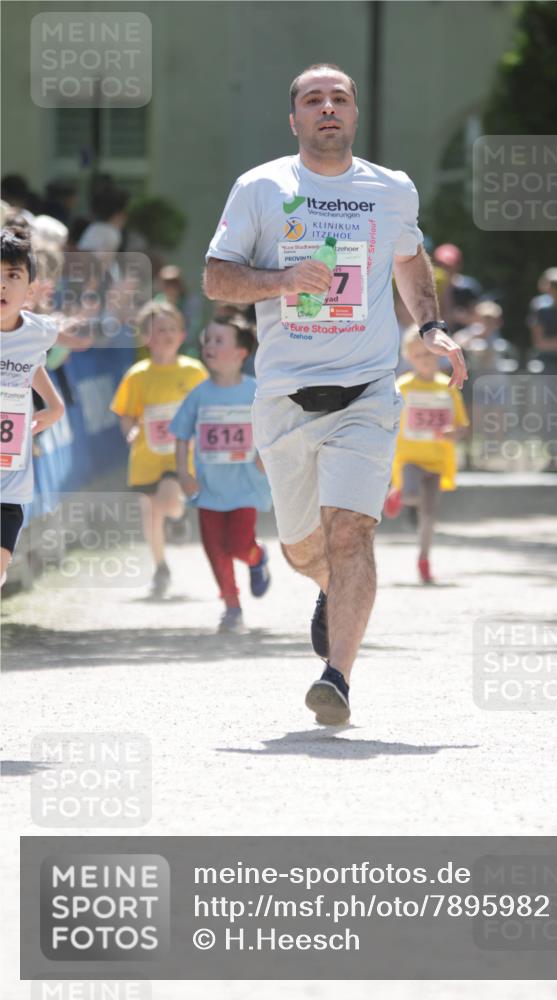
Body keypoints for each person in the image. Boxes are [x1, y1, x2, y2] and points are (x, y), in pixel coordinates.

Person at [203, 62, 467, 725]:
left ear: (354, 114)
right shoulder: (260, 187)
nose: (328, 108)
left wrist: (431, 324)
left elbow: (408, 257)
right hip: (286, 397)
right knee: (302, 548)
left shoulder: (392, 190)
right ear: (295, 120)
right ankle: (325, 586)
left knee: (351, 531)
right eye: (314, 100)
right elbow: (215, 278)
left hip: (368, 392)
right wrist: (283, 280)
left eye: (339, 99)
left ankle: (337, 677)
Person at [170, 312, 272, 631]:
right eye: (207, 341)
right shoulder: (200, 394)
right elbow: (181, 434)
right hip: (209, 489)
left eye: (219, 340)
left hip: (245, 487)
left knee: (239, 545)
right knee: (215, 550)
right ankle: (231, 606)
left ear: (241, 353)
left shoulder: (257, 392)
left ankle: (257, 558)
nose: (209, 346)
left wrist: (265, 456)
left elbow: (274, 429)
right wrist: (183, 474)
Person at [110, 301, 207, 596]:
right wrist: (131, 431)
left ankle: (177, 516)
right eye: (158, 329)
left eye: (171, 329)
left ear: (181, 335)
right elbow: (126, 413)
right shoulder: (138, 375)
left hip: (181, 457)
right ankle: (161, 566)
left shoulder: (194, 372)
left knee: (168, 499)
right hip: (146, 456)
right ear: (145, 336)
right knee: (150, 515)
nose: (165, 335)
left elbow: (207, 408)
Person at [1, 226, 65, 585]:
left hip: (9, 487)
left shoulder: (37, 333)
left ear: (30, 290)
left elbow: (33, 363)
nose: (3, 285)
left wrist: (52, 409)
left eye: (13, 276)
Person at [383, 326, 469, 583]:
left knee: (430, 515)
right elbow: (388, 417)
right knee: (411, 495)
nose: (425, 360)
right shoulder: (403, 386)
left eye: (429, 354)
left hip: (437, 460)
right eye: (419, 355)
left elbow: (462, 426)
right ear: (409, 357)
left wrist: (453, 433)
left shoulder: (448, 386)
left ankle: (424, 558)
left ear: (439, 356)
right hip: (410, 456)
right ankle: (398, 494)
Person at [433, 243, 482, 331]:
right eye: (441, 265)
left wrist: (463, 318)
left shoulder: (468, 288)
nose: (445, 269)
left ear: (459, 265)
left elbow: (479, 319)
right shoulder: (429, 288)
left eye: (449, 266)